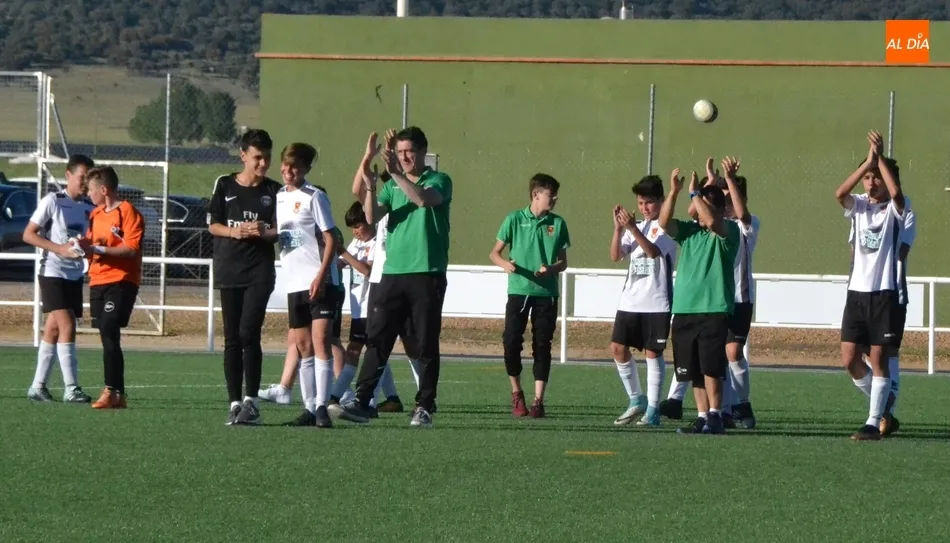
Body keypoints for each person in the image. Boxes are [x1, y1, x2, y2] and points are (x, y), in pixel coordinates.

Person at [343, 126, 452, 428]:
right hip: (392, 275)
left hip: (427, 272)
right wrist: (371, 187)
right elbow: (370, 217)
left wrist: (395, 174)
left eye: (409, 152)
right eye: (400, 152)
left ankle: (425, 406)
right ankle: (363, 401)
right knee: (378, 339)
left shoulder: (439, 180)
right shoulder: (392, 185)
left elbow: (422, 200)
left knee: (425, 341)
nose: (404, 157)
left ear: (422, 152)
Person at [660, 158, 760, 430]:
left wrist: (698, 191)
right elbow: (664, 222)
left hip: (717, 306)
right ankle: (704, 415)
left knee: (715, 364)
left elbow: (716, 220)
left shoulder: (729, 231)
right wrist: (675, 192)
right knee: (694, 370)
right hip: (685, 308)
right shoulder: (689, 231)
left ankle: (722, 411)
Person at [207, 129, 281, 425]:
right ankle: (235, 402)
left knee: (249, 332)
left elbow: (280, 230)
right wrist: (235, 231)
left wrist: (264, 232)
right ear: (243, 155)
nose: (263, 163)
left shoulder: (274, 190)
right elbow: (213, 225)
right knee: (232, 339)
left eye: (267, 157)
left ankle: (252, 401)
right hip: (229, 270)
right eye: (257, 157)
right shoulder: (224, 184)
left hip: (259, 271)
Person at [836, 130, 905, 441]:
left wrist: (881, 162)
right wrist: (868, 162)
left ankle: (873, 421)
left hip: (884, 293)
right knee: (849, 359)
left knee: (878, 359)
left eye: (876, 177)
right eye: (867, 178)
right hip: (857, 294)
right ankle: (884, 408)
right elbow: (840, 193)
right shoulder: (860, 205)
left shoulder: (897, 209)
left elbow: (897, 195)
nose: (871, 182)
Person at [490, 174, 570, 418]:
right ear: (536, 195)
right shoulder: (514, 219)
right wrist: (504, 264)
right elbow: (494, 253)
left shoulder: (558, 223)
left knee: (542, 345)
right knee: (511, 341)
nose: (554, 199)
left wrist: (551, 268)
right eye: (550, 195)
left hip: (546, 293)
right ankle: (517, 393)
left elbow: (563, 262)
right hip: (519, 291)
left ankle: (538, 400)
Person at [24, 154, 96, 403]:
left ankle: (37, 386)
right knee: (67, 325)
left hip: (74, 274)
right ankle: (71, 388)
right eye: (81, 177)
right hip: (52, 271)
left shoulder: (90, 207)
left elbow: (88, 240)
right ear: (68, 175)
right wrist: (59, 249)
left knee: (54, 328)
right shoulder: (53, 201)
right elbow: (29, 234)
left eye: (89, 178)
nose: (85, 183)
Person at [608, 175, 676, 427]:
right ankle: (636, 398)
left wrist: (633, 229)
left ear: (661, 201)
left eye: (649, 202)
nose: (644, 208)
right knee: (617, 348)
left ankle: (654, 409)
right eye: (640, 203)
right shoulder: (635, 226)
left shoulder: (667, 227)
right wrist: (618, 229)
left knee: (652, 352)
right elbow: (616, 256)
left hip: (656, 302)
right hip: (630, 301)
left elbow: (653, 252)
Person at [327, 202, 406, 413]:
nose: (355, 231)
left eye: (358, 226)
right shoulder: (356, 243)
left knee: (358, 351)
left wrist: (343, 251)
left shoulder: (377, 243)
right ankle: (392, 398)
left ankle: (342, 397)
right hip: (358, 308)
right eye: (352, 228)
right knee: (374, 352)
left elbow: (367, 270)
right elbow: (340, 263)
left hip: (373, 306)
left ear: (370, 222)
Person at [83, 166, 145, 409]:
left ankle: (109, 389)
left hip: (121, 280)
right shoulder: (95, 214)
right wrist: (81, 248)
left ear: (104, 189)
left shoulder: (127, 211)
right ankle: (119, 394)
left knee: (109, 325)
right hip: (97, 280)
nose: (88, 194)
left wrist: (98, 249)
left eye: (90, 189)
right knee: (108, 336)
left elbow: (131, 249)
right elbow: (91, 245)